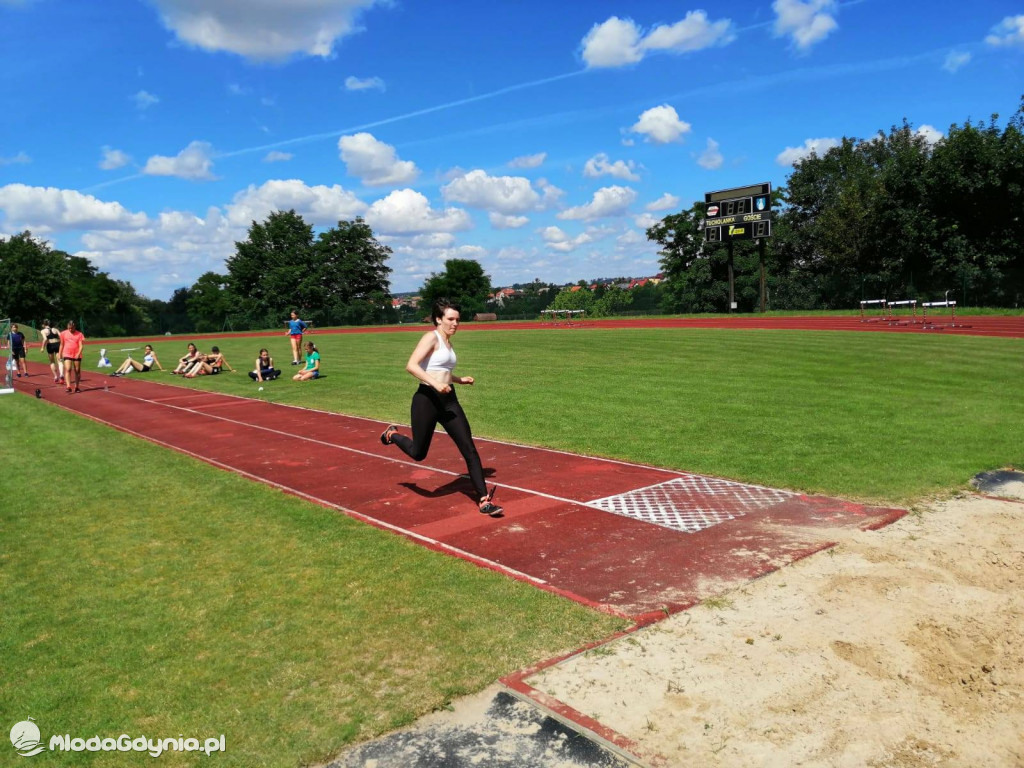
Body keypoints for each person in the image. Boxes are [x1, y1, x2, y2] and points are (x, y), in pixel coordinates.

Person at [379, 298, 503, 517]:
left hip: (448, 401)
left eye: (458, 320)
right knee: (418, 453)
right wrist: (435, 384)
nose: (455, 323)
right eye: (450, 319)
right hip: (426, 399)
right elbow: (411, 365)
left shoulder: (448, 343)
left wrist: (459, 379)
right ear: (438, 319)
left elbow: (441, 370)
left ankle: (483, 500)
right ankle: (393, 435)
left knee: (469, 448)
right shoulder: (431, 337)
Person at [57, 319, 85, 393]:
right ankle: (68, 386)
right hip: (67, 353)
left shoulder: (79, 334)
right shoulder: (63, 334)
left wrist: (78, 354)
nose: (70, 329)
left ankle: (77, 387)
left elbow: (81, 346)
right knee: (68, 369)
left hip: (76, 354)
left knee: (77, 371)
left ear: (74, 327)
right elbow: (61, 344)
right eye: (69, 328)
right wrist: (59, 354)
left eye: (72, 328)